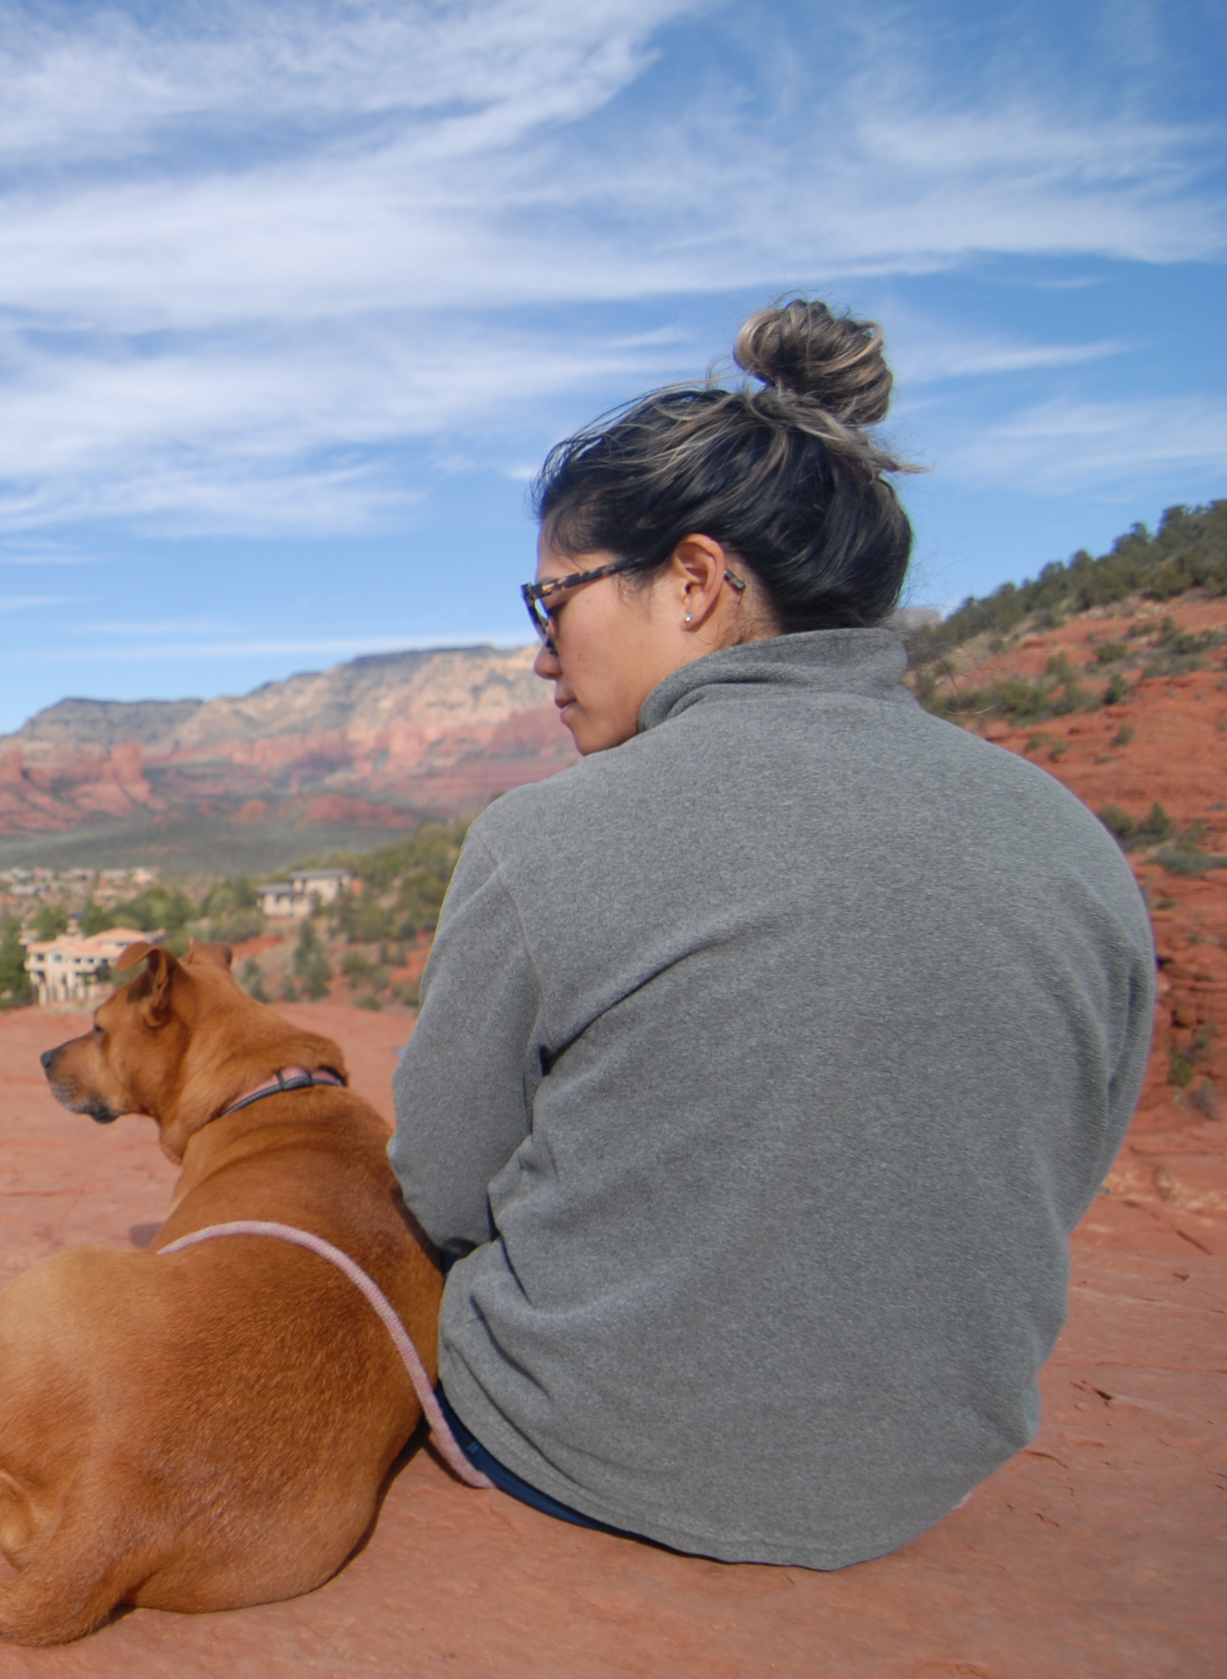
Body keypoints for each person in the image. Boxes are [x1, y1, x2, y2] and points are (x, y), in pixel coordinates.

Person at [388, 301, 1155, 1568]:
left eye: (550, 600)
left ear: (692, 582)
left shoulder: (548, 837)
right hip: (917, 1479)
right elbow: (1053, 1164)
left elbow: (443, 1191)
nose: (540, 656)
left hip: (571, 1451)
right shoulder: (1071, 840)